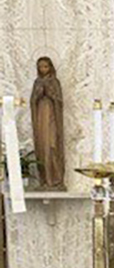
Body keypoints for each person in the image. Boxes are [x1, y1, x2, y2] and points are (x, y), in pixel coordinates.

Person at [29, 56, 65, 190]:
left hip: (52, 118)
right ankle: (43, 180)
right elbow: (32, 101)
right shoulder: (37, 82)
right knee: (42, 148)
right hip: (40, 119)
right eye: (40, 67)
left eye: (45, 66)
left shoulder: (55, 82)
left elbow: (60, 101)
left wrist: (51, 95)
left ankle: (56, 180)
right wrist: (38, 95)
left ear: (50, 67)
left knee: (52, 146)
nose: (43, 69)